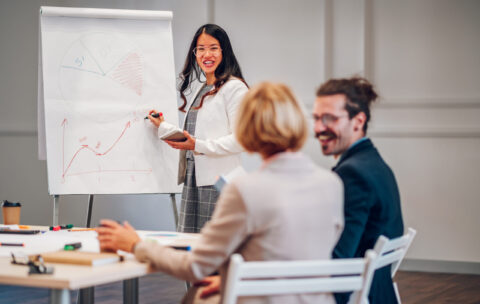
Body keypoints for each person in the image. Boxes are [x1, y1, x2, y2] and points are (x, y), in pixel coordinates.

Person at [98, 82, 344, 304]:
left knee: (195, 296)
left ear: (248, 129)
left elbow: (196, 267)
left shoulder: (245, 190)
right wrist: (236, 277)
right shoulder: (331, 183)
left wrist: (137, 245)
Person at [147, 24, 248, 233]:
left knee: (214, 249)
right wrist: (163, 126)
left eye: (213, 48)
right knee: (192, 247)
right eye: (200, 49)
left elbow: (242, 140)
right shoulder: (202, 88)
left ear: (224, 51)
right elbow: (196, 135)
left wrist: (198, 145)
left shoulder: (235, 88)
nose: (206, 54)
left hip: (218, 184)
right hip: (194, 181)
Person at [313, 77, 404, 304]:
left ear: (358, 121)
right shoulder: (373, 163)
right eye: (315, 119)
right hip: (377, 290)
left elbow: (339, 262)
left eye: (329, 119)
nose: (318, 129)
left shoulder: (353, 174)